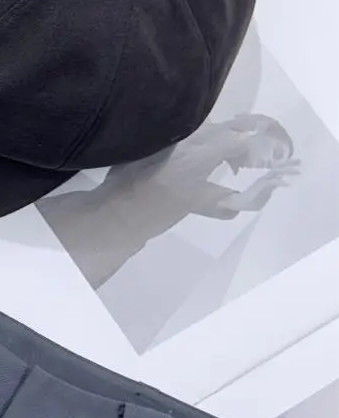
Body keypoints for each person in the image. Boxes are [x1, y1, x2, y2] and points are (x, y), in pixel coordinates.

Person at [38, 114, 299, 290]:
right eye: (276, 153)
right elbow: (168, 178)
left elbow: (228, 200)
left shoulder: (203, 165)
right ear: (258, 128)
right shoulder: (194, 132)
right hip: (86, 223)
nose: (269, 164)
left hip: (105, 247)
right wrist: (237, 143)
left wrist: (258, 192)